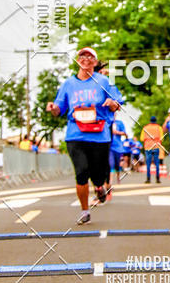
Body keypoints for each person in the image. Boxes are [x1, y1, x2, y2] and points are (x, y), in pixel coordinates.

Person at [46, 47, 123, 225]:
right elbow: (59, 109)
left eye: (90, 57)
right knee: (81, 172)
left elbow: (117, 103)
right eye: (82, 56)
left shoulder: (104, 81)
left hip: (99, 135)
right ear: (77, 60)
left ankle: (99, 186)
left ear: (95, 62)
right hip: (75, 134)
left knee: (97, 174)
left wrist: (112, 102)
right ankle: (84, 210)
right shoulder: (68, 84)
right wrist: (53, 108)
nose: (86, 59)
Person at [141, 116, 163, 183]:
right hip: (156, 147)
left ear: (150, 121)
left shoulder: (145, 128)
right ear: (155, 121)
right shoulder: (159, 127)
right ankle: (158, 179)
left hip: (148, 148)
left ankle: (148, 179)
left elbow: (142, 138)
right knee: (157, 163)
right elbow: (162, 138)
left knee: (148, 164)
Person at [109, 112, 127, 186]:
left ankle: (118, 177)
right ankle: (110, 181)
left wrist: (116, 132)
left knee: (117, 165)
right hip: (110, 147)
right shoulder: (107, 122)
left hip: (118, 147)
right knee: (111, 164)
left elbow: (124, 133)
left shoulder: (119, 123)